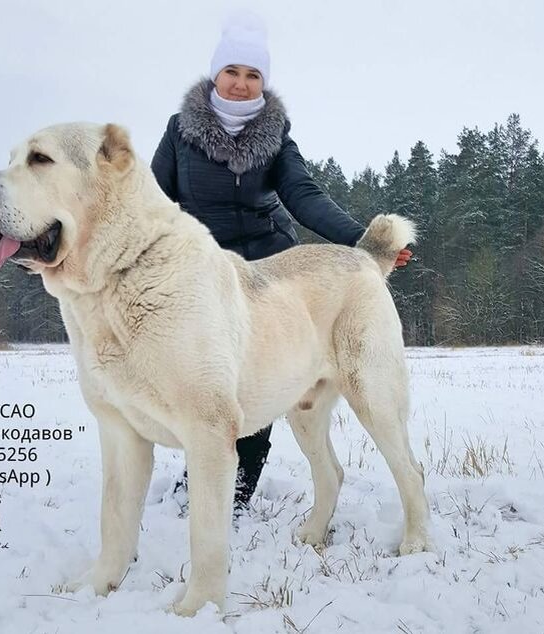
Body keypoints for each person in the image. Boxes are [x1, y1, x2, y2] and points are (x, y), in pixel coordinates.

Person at [150, 16, 412, 512]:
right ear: (215, 74)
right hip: (201, 270)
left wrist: (359, 239)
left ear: (262, 82)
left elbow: (302, 194)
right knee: (201, 374)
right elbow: (155, 200)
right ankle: (203, 467)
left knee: (263, 374)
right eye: (233, 71)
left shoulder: (275, 134)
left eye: (253, 74)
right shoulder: (179, 131)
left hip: (265, 269)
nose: (241, 82)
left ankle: (242, 474)